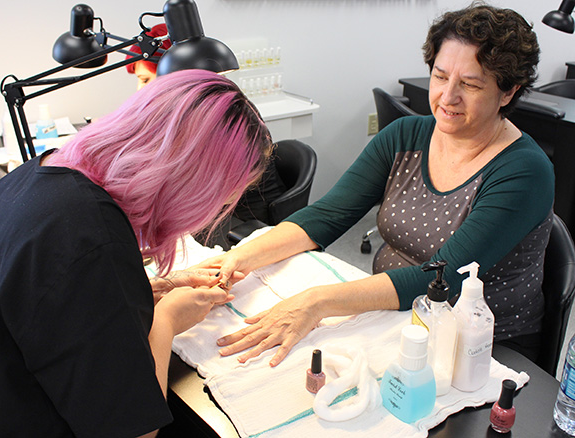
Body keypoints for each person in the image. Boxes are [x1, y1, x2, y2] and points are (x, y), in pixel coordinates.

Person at [197, 3, 554, 367]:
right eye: (441, 76)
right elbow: (325, 215)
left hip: (481, 346)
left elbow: (444, 277)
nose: (448, 97)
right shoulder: (405, 136)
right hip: (398, 318)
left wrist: (317, 302)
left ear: (508, 92)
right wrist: (235, 260)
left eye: (471, 85)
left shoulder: (523, 171)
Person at [0, 70, 271, 437]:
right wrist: (167, 319)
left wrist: (139, 291)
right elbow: (135, 433)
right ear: (190, 182)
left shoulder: (34, 178)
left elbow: (47, 307)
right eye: (222, 199)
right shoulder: (94, 240)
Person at [126, 24, 287, 231]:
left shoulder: (213, 114)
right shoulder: (190, 108)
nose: (140, 90)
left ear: (174, 73)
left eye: (145, 80)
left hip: (241, 220)